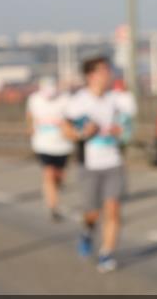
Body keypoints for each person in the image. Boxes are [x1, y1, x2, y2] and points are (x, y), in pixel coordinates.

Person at [63, 56, 137, 273]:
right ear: (90, 75)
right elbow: (65, 130)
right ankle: (87, 231)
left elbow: (127, 127)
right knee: (92, 212)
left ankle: (107, 253)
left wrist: (121, 132)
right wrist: (83, 133)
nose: (108, 75)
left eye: (108, 70)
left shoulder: (115, 99)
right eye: (103, 71)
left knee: (113, 210)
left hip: (114, 161)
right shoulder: (79, 101)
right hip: (89, 165)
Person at [26, 77, 73, 221]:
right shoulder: (34, 99)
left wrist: (68, 128)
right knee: (49, 173)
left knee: (59, 175)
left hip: (63, 145)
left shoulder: (65, 99)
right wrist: (30, 127)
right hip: (42, 144)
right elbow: (30, 115)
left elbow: (72, 118)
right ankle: (53, 207)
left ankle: (52, 190)